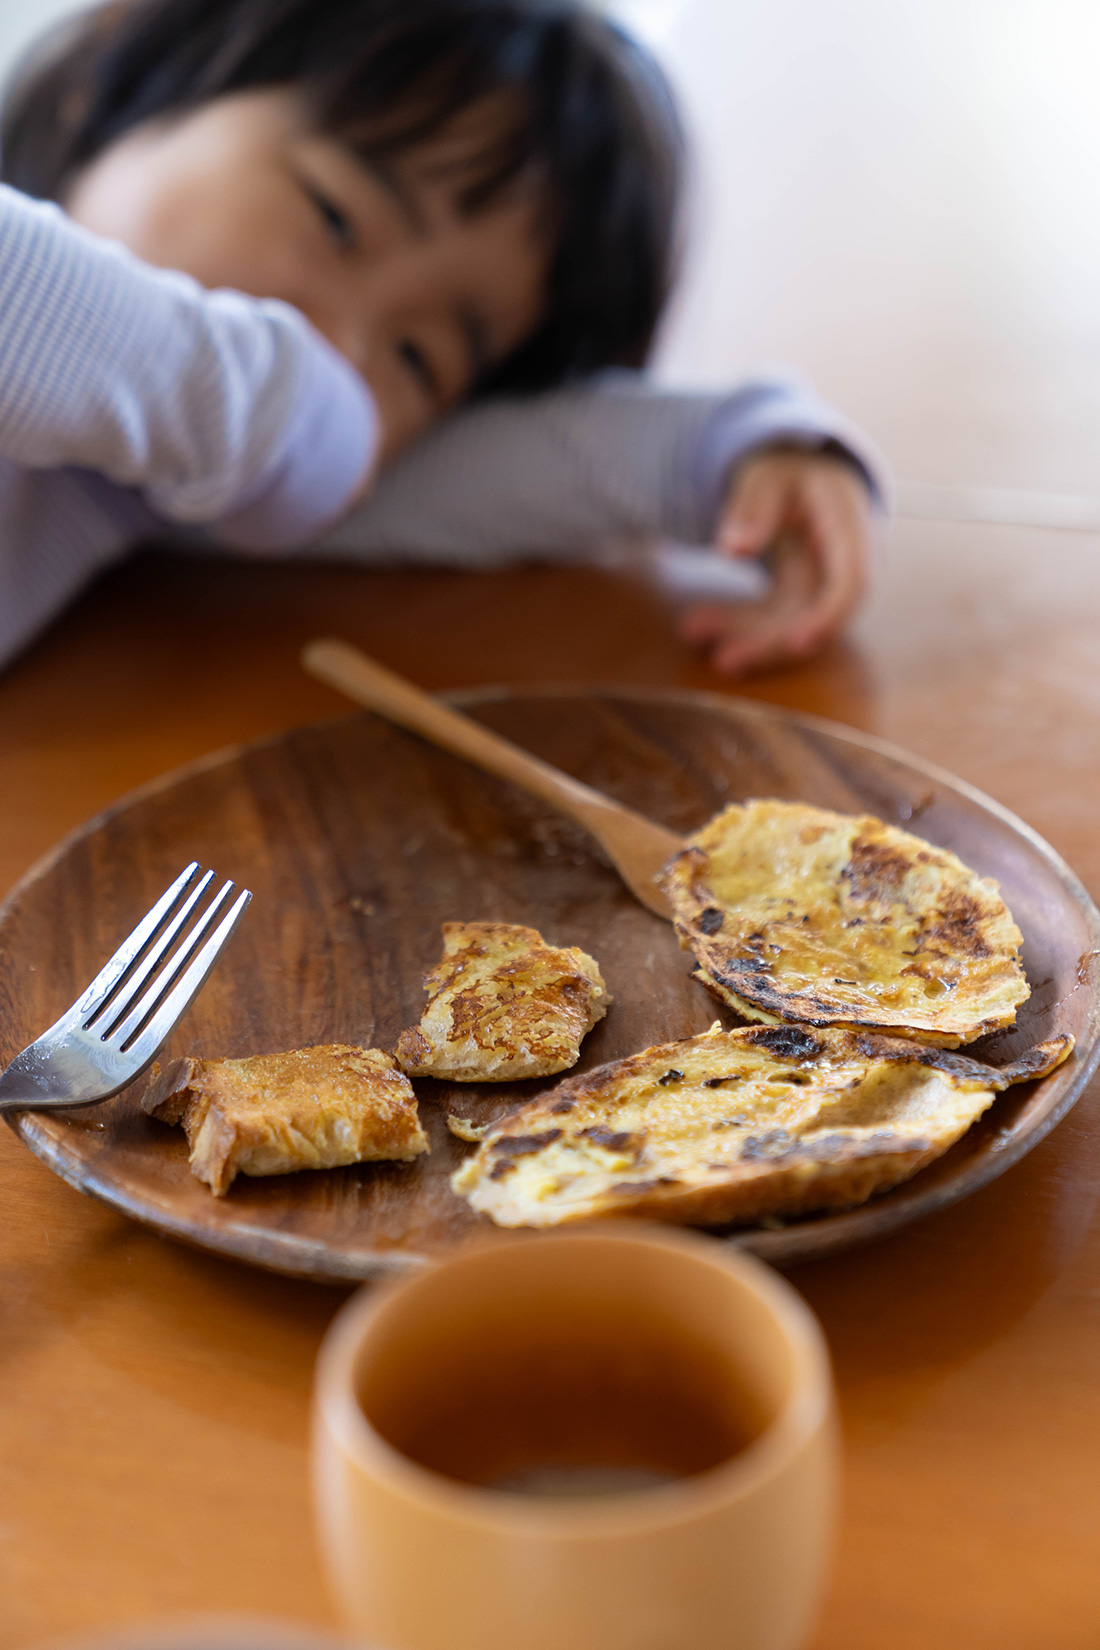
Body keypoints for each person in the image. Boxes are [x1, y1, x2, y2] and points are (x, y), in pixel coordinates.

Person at [0, 0, 881, 678]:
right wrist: (282, 416)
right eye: (336, 217)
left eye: (418, 359)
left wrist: (731, 458)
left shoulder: (176, 485)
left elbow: (459, 472)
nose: (338, 349)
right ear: (114, 75)